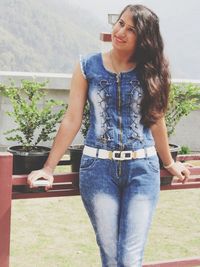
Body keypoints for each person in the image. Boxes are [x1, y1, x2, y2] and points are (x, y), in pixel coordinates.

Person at [28, 4, 190, 267]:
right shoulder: (87, 66)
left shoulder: (151, 70)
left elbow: (157, 119)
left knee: (129, 259)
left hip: (143, 169)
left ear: (144, 38)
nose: (121, 31)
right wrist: (49, 167)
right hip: (98, 169)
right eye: (120, 23)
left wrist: (169, 163)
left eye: (131, 29)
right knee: (111, 257)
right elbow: (72, 118)